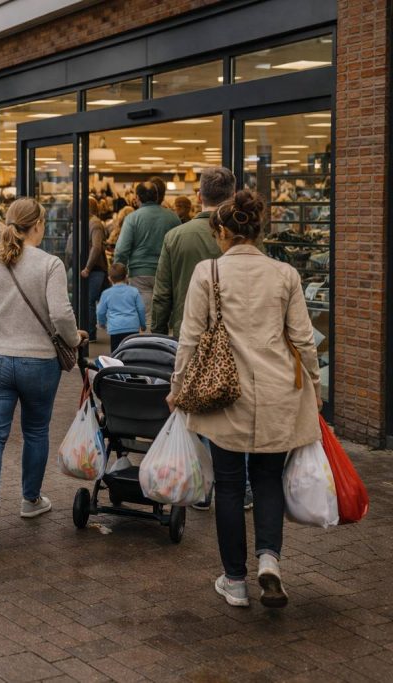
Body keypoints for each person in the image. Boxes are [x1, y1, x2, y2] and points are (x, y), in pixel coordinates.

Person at [167, 191, 322, 610]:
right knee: (269, 479)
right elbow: (304, 339)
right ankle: (269, 560)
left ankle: (235, 581)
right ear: (258, 230)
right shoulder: (285, 274)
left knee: (231, 485)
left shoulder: (208, 272)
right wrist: (314, 383)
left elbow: (190, 337)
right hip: (278, 394)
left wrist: (178, 386)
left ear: (222, 232)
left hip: (223, 395)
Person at [0, 197, 84, 544]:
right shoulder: (50, 264)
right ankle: (31, 499)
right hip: (38, 362)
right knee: (35, 431)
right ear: (37, 226)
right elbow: (62, 315)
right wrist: (73, 339)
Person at [151, 167, 233, 338]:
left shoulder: (174, 237)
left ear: (199, 196)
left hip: (188, 329)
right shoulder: (243, 237)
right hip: (234, 331)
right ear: (233, 196)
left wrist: (158, 332)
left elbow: (162, 293)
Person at [113, 179, 182, 315]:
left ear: (137, 198)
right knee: (165, 314)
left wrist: (118, 271)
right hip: (166, 273)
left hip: (139, 274)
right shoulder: (173, 218)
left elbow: (122, 249)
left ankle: (148, 336)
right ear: (158, 197)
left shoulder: (132, 218)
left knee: (146, 315)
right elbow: (179, 247)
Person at [79, 196, 109, 343]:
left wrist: (87, 268)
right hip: (92, 268)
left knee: (89, 301)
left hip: (94, 269)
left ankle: (91, 334)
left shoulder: (95, 223)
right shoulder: (88, 223)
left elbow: (96, 247)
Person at [97, 263, 146, 352]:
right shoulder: (134, 291)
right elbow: (141, 308)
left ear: (109, 279)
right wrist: (143, 325)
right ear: (126, 277)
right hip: (132, 328)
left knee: (116, 353)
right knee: (131, 352)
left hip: (115, 329)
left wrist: (102, 323)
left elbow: (100, 311)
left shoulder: (106, 293)